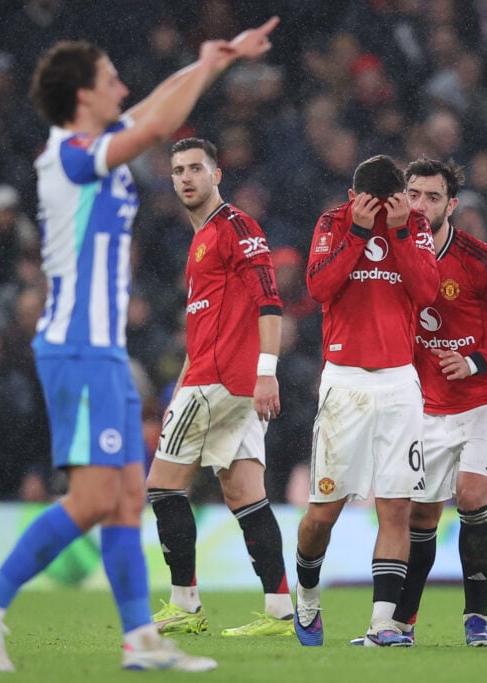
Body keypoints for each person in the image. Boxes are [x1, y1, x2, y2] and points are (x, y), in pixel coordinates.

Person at [0, 17, 280, 674]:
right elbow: (156, 125)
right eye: (110, 80)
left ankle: (141, 640)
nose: (123, 86)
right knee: (97, 498)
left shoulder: (94, 141)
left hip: (103, 352)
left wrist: (206, 60)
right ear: (82, 96)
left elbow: (152, 113)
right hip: (76, 346)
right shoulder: (68, 155)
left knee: (132, 497)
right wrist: (209, 71)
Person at [373, 157, 487, 648]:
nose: (421, 206)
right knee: (420, 515)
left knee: (469, 496)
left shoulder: (483, 261)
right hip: (428, 404)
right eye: (414, 195)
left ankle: (477, 618)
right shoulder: (389, 255)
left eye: (433, 197)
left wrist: (474, 362)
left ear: (452, 205)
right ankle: (402, 622)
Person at [145, 137, 293, 637]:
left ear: (216, 174)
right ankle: (280, 610)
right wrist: (178, 388)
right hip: (213, 380)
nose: (186, 177)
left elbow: (270, 302)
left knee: (163, 487)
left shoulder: (236, 226)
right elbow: (201, 329)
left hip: (223, 382)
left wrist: (267, 370)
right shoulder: (201, 239)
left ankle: (185, 604)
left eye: (195, 168)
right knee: (244, 492)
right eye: (178, 170)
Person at [292, 154, 440, 647]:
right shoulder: (333, 223)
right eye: (369, 204)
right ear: (354, 197)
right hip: (345, 383)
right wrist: (357, 234)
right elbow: (318, 288)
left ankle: (382, 625)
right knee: (322, 514)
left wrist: (398, 233)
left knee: (395, 507)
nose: (379, 211)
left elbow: (427, 293)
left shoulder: (413, 225)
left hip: (399, 382)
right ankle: (307, 596)